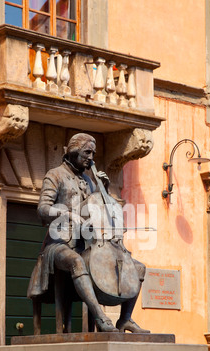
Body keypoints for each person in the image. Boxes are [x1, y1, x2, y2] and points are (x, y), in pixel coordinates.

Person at [27, 133, 150, 333]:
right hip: (60, 244)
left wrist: (105, 189)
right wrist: (66, 213)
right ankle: (101, 317)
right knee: (77, 262)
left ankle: (125, 319)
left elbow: (99, 210)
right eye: (87, 152)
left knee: (138, 269)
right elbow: (43, 208)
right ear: (74, 152)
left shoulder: (89, 180)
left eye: (93, 153)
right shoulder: (55, 175)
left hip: (88, 244)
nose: (91, 157)